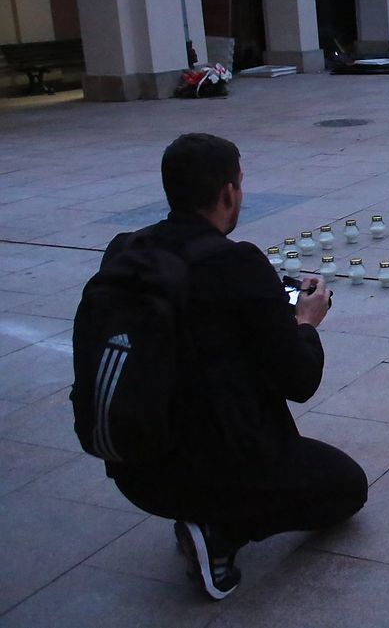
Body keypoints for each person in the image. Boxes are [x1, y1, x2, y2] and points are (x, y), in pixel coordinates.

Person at [98, 133, 367, 600]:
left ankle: (204, 513)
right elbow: (300, 380)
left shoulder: (125, 250)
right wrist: (305, 323)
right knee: (348, 487)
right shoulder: (239, 264)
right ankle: (221, 533)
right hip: (220, 463)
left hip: (133, 466)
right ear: (229, 192)